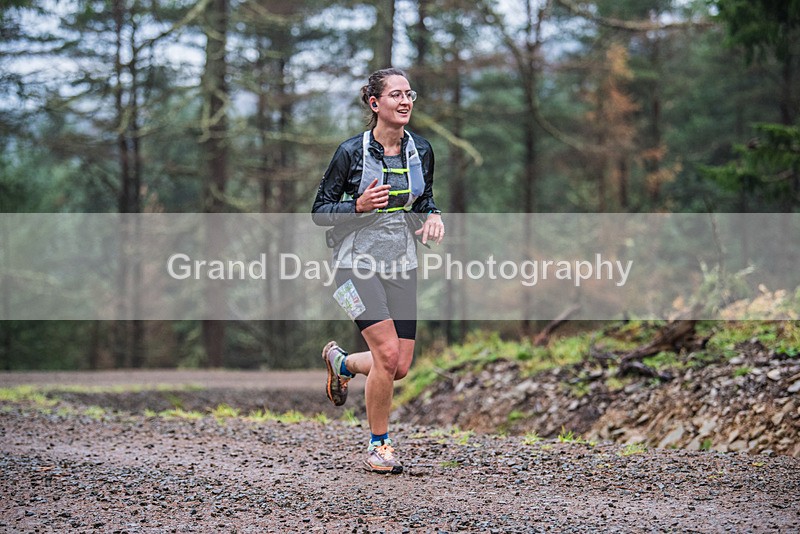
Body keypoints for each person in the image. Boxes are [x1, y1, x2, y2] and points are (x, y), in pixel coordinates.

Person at [311, 67, 444, 474]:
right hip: (353, 267)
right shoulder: (351, 153)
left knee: (399, 366)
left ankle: (343, 363)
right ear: (375, 104)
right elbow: (319, 212)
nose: (405, 102)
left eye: (410, 95)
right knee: (386, 355)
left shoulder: (420, 150)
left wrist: (434, 217)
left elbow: (424, 200)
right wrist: (357, 206)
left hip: (402, 264)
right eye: (395, 95)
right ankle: (379, 446)